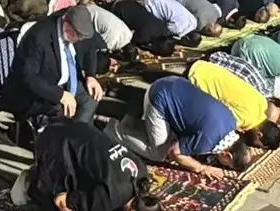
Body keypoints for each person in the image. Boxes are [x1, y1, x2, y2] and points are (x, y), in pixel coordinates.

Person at [108, 77, 252, 179]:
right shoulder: (207, 141)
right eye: (227, 165)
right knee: (160, 152)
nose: (223, 165)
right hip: (159, 96)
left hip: (175, 82)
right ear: (227, 155)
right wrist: (201, 168)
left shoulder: (232, 121)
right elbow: (175, 153)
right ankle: (114, 130)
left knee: (173, 137)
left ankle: (131, 121)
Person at [12, 118, 159, 211]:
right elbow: (61, 201)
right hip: (54, 143)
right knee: (57, 203)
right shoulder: (107, 200)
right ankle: (29, 184)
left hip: (74, 127)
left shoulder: (142, 174)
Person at [0, 6, 103, 124]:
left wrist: (91, 76)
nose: (78, 39)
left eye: (80, 36)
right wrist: (60, 95)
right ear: (65, 20)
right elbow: (29, 77)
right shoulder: (39, 37)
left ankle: (77, 133)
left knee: (90, 101)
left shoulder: (78, 25)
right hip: (39, 90)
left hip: (65, 79)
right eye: (75, 34)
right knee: (63, 112)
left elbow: (90, 46)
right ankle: (69, 133)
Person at [187, 60, 280, 149]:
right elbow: (218, 124)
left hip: (205, 66)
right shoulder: (245, 118)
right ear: (259, 134)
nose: (255, 146)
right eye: (258, 145)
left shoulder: (262, 103)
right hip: (196, 77)